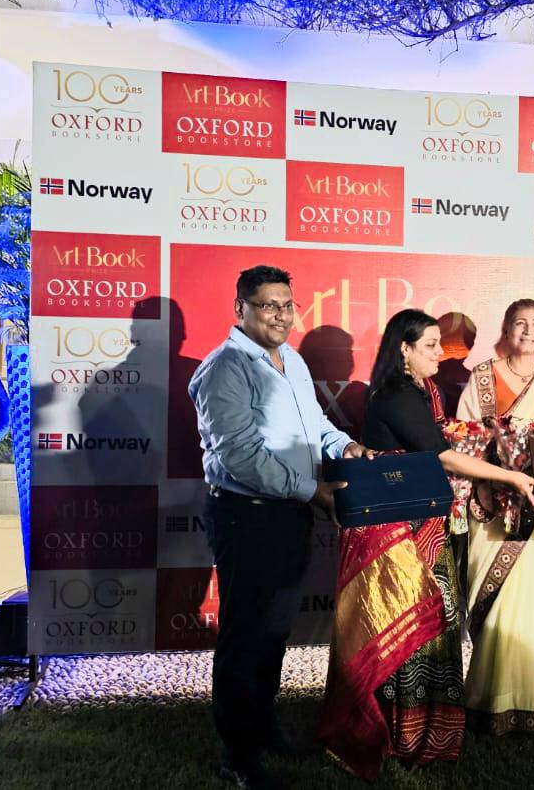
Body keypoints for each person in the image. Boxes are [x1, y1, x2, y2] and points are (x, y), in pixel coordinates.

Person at [317, 309, 534, 779]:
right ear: (404, 349)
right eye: (431, 345)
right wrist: (512, 477)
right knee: (405, 627)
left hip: (423, 522)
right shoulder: (396, 393)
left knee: (436, 622)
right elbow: (443, 457)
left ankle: (425, 734)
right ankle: (394, 734)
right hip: (393, 531)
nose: (442, 353)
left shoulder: (424, 390)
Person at [189, 265, 370, 789]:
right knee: (245, 635)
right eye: (267, 305)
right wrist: (314, 490)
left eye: (287, 305)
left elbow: (315, 426)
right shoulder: (224, 369)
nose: (280, 315)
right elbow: (242, 458)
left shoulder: (290, 359)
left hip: (289, 514)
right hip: (246, 515)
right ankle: (237, 754)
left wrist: (345, 446)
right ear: (240, 309)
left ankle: (263, 729)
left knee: (273, 632)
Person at [456, 299, 534, 735]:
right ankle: (488, 701)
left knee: (529, 602)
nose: (528, 330)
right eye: (520, 323)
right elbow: (463, 439)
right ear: (506, 330)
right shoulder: (481, 377)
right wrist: (491, 482)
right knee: (493, 599)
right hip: (490, 506)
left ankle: (533, 702)